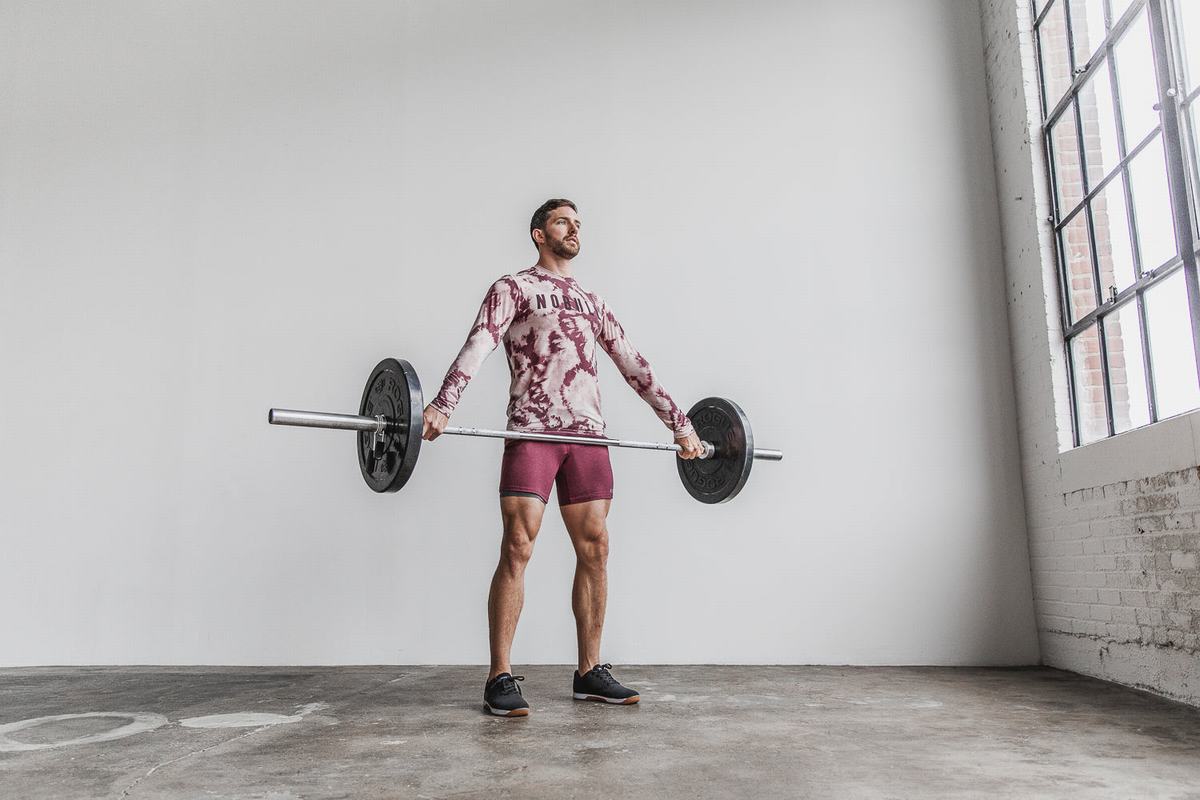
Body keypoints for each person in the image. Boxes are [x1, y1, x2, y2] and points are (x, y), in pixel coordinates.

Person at [422, 198, 703, 717]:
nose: (573, 230)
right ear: (538, 233)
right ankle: (499, 676)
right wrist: (444, 401)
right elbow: (480, 342)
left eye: (578, 224)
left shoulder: (591, 301)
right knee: (518, 545)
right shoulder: (514, 288)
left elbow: (633, 364)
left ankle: (589, 672)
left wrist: (682, 425)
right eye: (562, 222)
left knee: (595, 549)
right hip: (532, 431)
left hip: (588, 439)